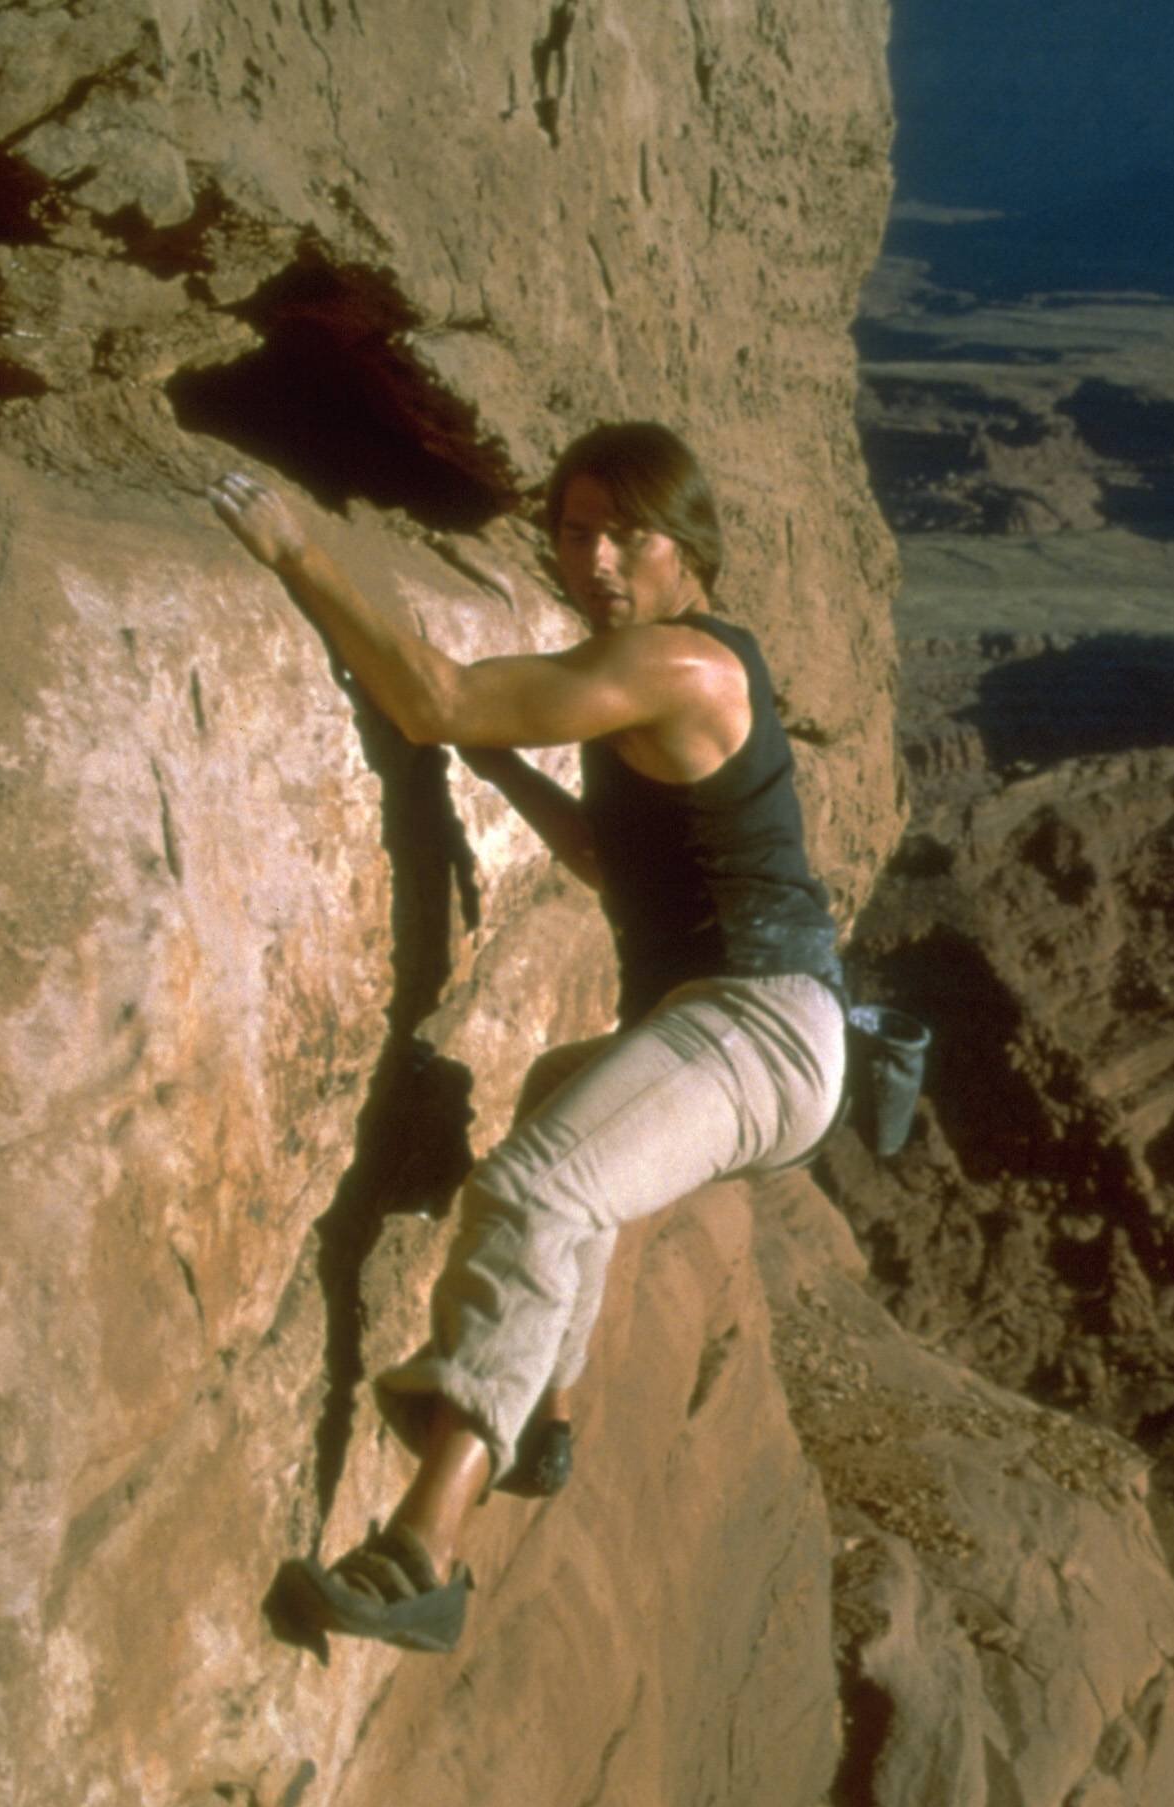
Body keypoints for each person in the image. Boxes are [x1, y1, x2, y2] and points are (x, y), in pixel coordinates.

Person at [215, 423, 849, 1654]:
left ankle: (423, 1558)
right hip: (731, 1021)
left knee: (535, 1187)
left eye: (630, 532)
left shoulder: (682, 665)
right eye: (574, 529)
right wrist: (498, 772)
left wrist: (300, 555)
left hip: (761, 1025)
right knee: (565, 1109)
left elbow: (434, 695)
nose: (598, 557)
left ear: (689, 545)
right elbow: (614, 861)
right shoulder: (667, 669)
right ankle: (544, 1416)